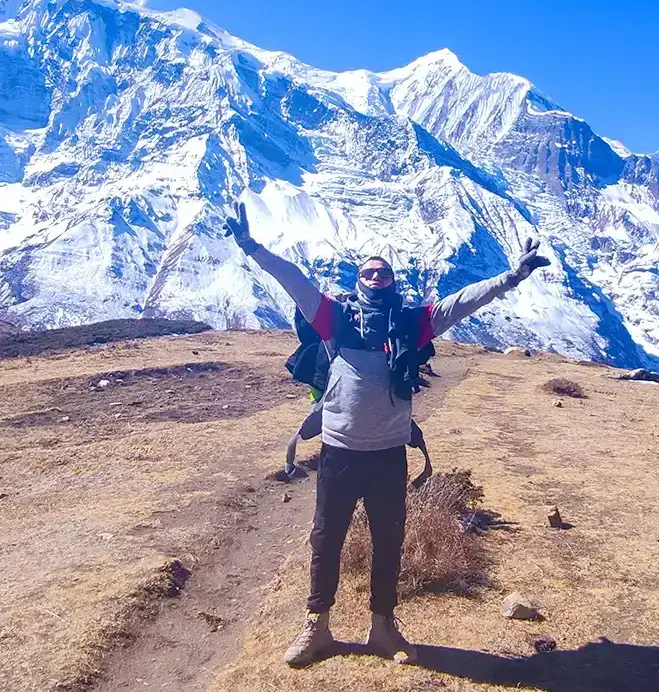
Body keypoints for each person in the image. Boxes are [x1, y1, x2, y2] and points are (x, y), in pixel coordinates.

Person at [225, 203, 550, 666]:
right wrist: (252, 248)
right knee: (326, 540)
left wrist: (512, 277)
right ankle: (316, 626)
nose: (376, 277)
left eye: (384, 273)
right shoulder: (333, 317)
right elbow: (293, 280)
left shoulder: (412, 323)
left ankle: (383, 627)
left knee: (388, 541)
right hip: (339, 450)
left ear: (393, 281)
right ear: (358, 280)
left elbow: (465, 301)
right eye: (368, 272)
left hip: (389, 452)